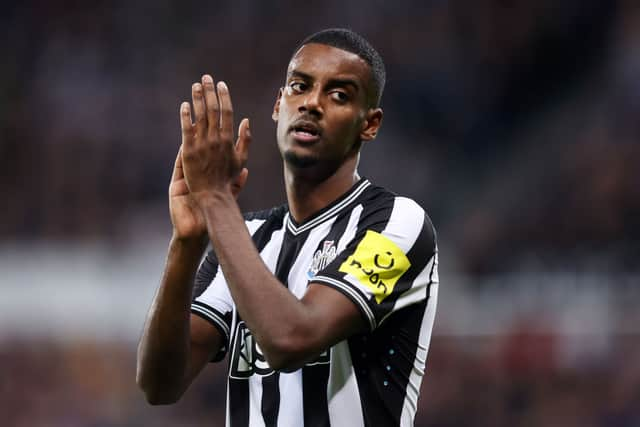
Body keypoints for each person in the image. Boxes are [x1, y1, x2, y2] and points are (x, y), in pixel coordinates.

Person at [136, 28, 439, 427]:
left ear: (370, 124)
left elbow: (290, 340)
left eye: (339, 95)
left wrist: (215, 200)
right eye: (299, 86)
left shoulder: (397, 224)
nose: (312, 103)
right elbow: (159, 385)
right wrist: (188, 242)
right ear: (279, 104)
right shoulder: (247, 238)